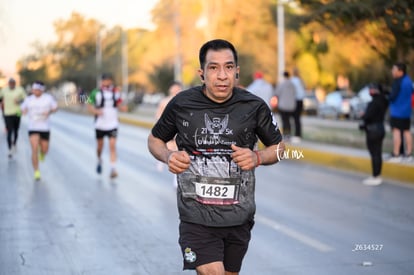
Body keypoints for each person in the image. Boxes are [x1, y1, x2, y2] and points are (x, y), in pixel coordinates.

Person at [147, 39, 285, 274]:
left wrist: (258, 157)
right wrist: (168, 156)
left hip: (238, 217)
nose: (222, 75)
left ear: (237, 72)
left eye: (229, 67)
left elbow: (281, 148)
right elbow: (154, 140)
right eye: (214, 68)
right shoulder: (182, 103)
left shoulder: (254, 106)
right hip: (196, 217)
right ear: (202, 74)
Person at [87, 73, 128, 179]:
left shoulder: (116, 92)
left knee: (112, 146)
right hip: (100, 124)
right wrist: (96, 111)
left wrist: (123, 108)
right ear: (102, 81)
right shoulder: (96, 92)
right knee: (100, 146)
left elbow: (119, 104)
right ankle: (99, 159)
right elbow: (89, 104)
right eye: (105, 80)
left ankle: (113, 169)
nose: (107, 82)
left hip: (113, 123)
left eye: (109, 80)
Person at [20, 81, 58, 180]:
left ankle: (42, 153)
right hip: (33, 127)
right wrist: (23, 111)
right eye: (34, 90)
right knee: (34, 149)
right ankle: (36, 171)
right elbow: (23, 108)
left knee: (45, 149)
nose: (35, 91)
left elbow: (55, 108)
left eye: (37, 90)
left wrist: (49, 111)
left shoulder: (48, 98)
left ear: (42, 90)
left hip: (45, 127)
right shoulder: (29, 99)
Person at [359, 83, 389, 186]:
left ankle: (375, 176)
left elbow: (368, 116)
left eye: (371, 89)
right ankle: (377, 175)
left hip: (373, 130)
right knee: (378, 153)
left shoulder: (374, 102)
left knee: (375, 154)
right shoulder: (384, 100)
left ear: (376, 90)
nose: (370, 91)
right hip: (380, 129)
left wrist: (363, 116)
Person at [155, 81, 183, 177]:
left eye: (177, 88)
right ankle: (162, 160)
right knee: (169, 148)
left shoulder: (183, 101)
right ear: (170, 89)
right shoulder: (164, 101)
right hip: (169, 128)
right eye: (174, 88)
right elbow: (159, 115)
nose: (175, 90)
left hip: (180, 128)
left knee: (179, 152)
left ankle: (176, 179)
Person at [388, 62, 413, 162]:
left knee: (396, 132)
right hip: (406, 111)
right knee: (407, 132)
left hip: (397, 111)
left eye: (394, 70)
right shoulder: (409, 81)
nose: (392, 72)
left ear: (400, 71)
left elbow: (392, 97)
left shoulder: (398, 82)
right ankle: (409, 154)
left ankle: (396, 154)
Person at [0, 78, 26, 158]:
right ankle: (10, 149)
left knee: (16, 130)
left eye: (13, 83)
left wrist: (19, 101)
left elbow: (25, 99)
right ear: (8, 84)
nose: (11, 84)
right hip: (7, 113)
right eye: (10, 83)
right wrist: (2, 103)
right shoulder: (4, 90)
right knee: (9, 131)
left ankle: (14, 143)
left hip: (17, 113)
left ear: (15, 83)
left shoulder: (20, 90)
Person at [274, 71, 297, 140]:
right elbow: (295, 93)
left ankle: (285, 134)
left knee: (284, 120)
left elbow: (276, 93)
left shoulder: (282, 84)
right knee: (289, 120)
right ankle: (289, 134)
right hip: (291, 106)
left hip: (283, 105)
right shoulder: (292, 84)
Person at [290, 68, 306, 143]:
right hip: (301, 100)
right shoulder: (301, 80)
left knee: (294, 118)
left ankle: (296, 135)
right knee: (298, 118)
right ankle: (298, 134)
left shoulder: (292, 80)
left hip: (295, 100)